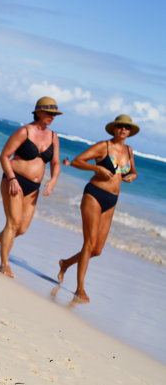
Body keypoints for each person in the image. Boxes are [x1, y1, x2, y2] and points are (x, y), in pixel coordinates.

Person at [57, 114, 138, 302]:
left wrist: (132, 176)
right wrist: (97, 169)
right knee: (89, 243)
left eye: (127, 128)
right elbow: (78, 161)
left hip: (112, 200)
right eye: (120, 127)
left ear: (130, 132)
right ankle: (80, 288)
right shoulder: (104, 146)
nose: (123, 130)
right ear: (114, 129)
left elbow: (133, 171)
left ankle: (66, 263)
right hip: (94, 194)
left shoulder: (129, 150)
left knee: (97, 250)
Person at [0, 97, 61, 277]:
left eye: (54, 114)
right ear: (39, 112)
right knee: (13, 223)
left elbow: (56, 162)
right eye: (49, 113)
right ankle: (4, 264)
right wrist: (11, 178)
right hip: (15, 181)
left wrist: (53, 179)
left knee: (22, 228)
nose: (52, 117)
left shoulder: (53, 136)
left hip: (34, 187)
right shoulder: (24, 131)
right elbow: (4, 156)